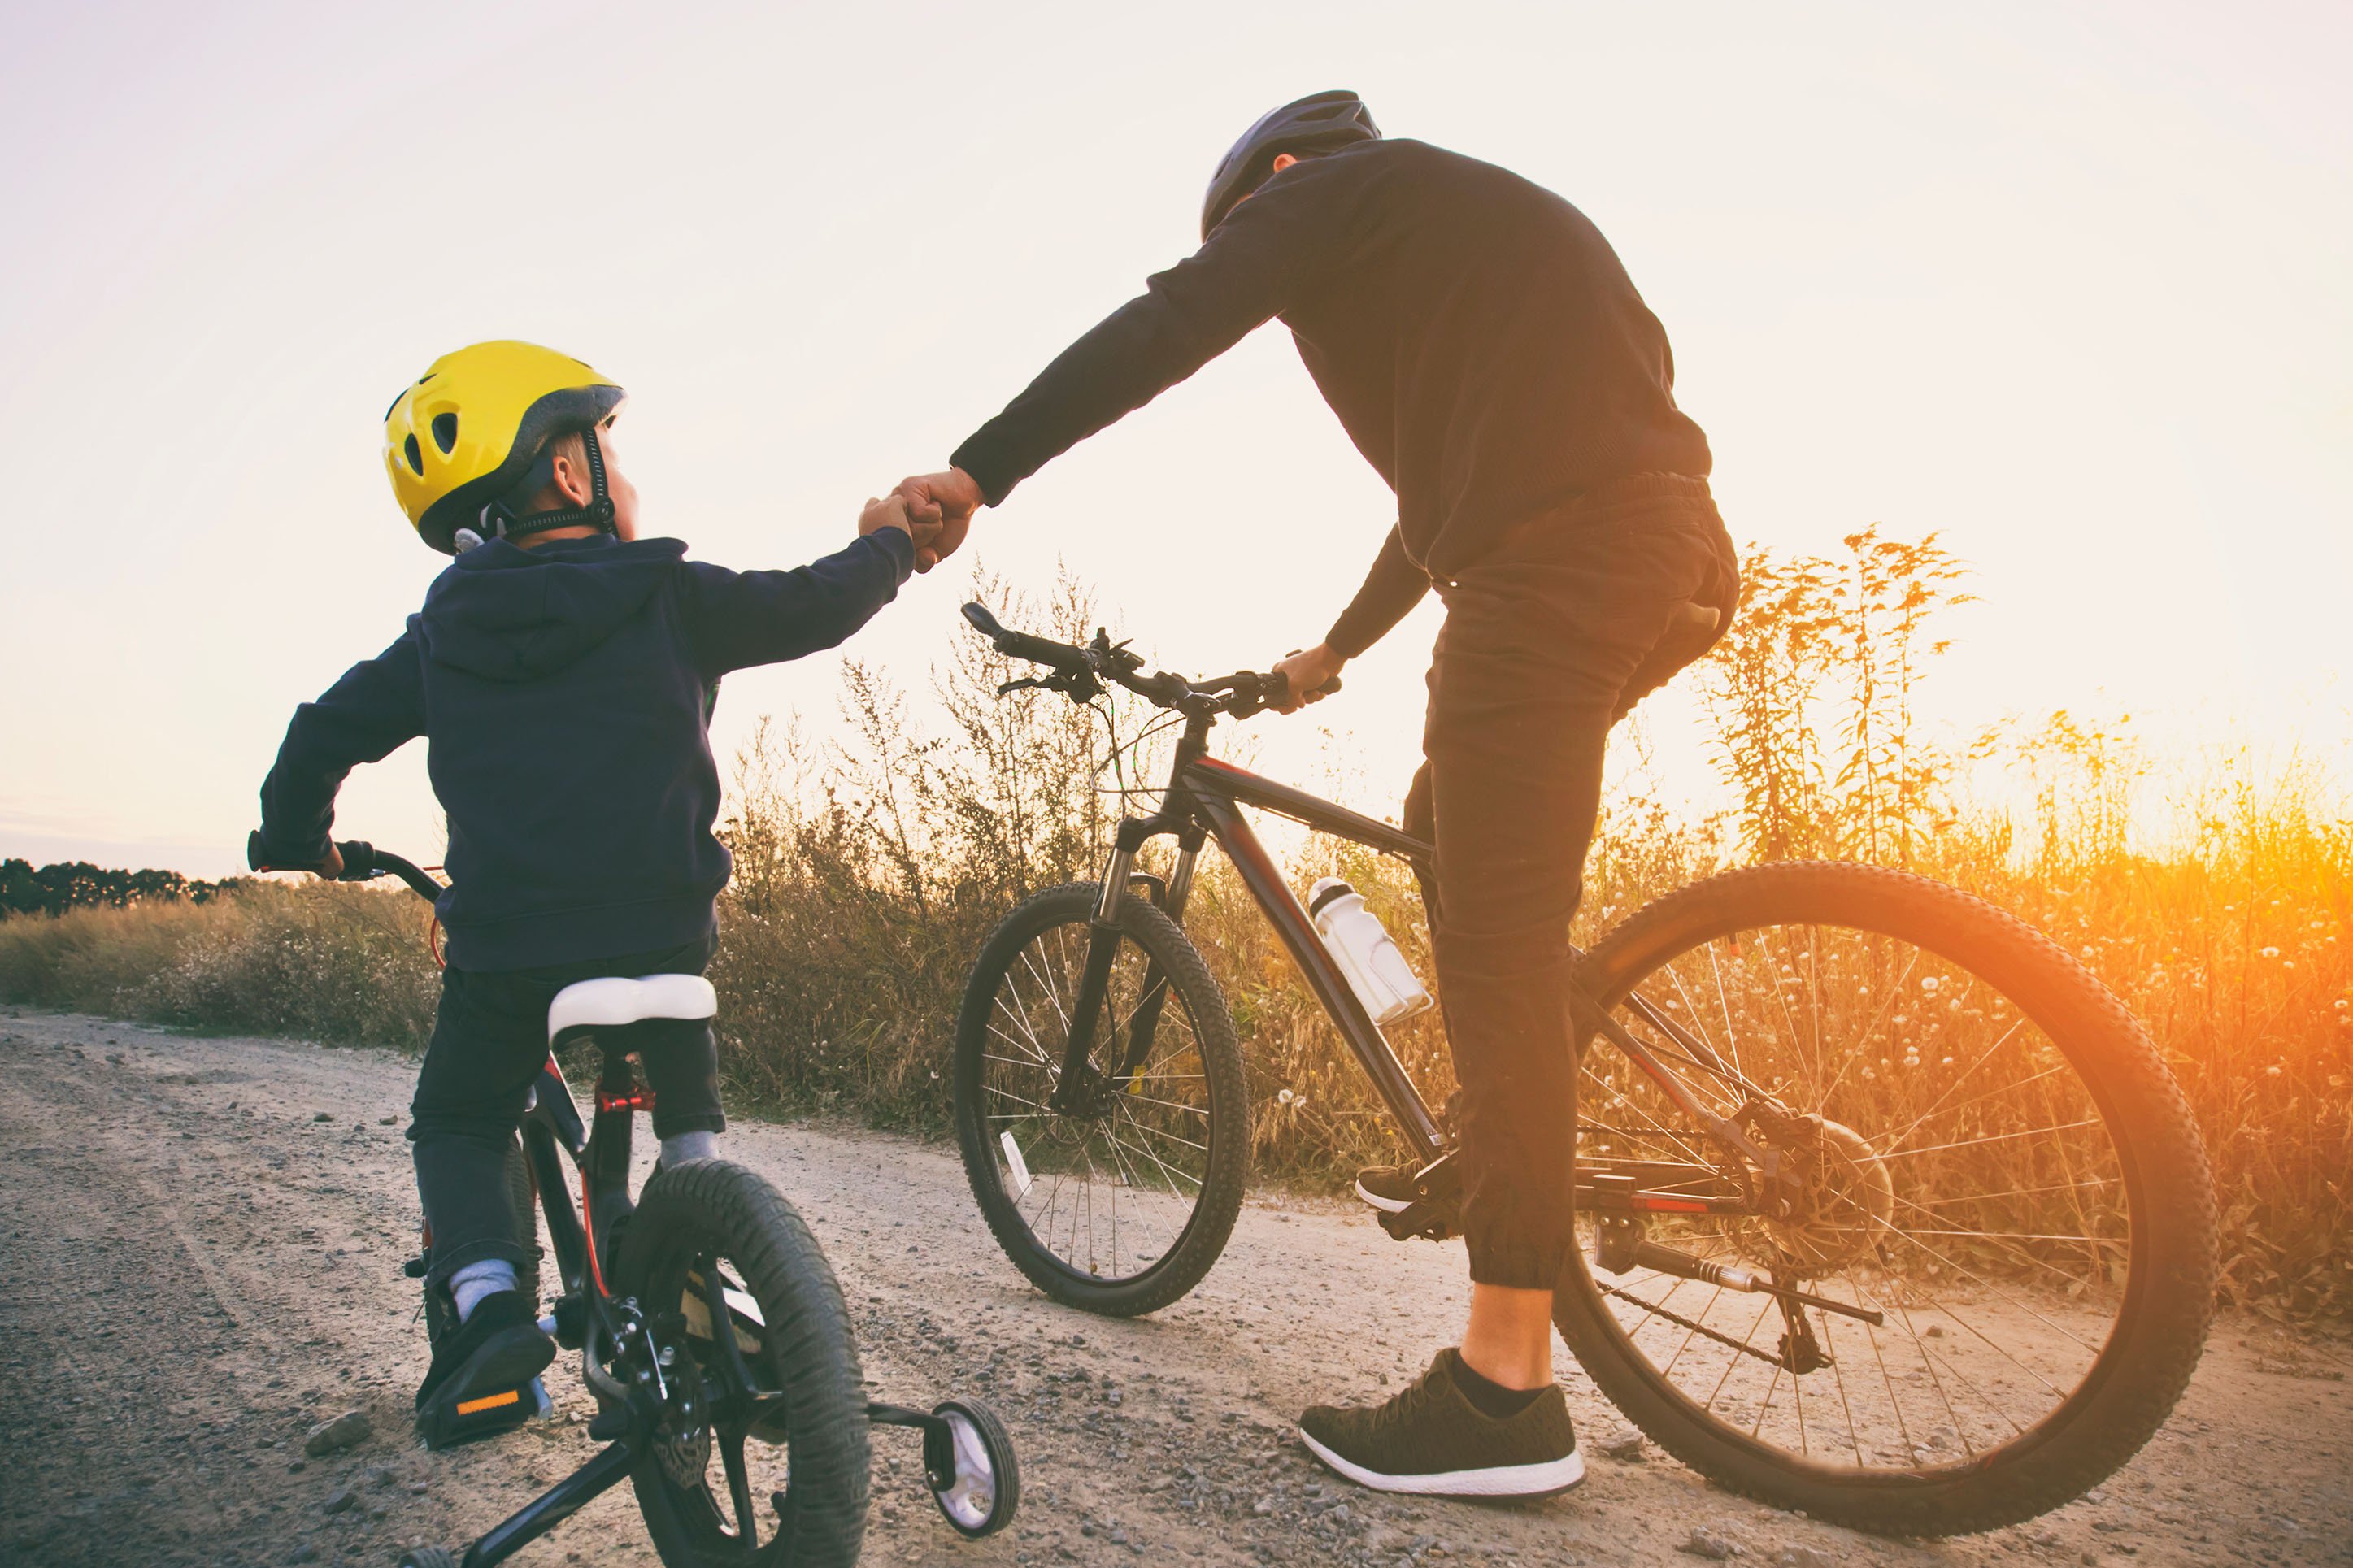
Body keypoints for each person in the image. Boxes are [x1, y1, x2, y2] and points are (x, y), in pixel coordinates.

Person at [893, 93, 1738, 1499]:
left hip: (1555, 569)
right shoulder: (1464, 231)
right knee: (1442, 818)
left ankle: (1503, 1394)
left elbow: (1164, 328)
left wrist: (979, 469)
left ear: (1271, 187)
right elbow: (1440, 499)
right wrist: (1331, 655)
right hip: (1673, 551)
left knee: (1494, 944)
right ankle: (1514, 1110)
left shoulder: (1324, 195)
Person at [253, 340, 928, 1444]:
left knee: (462, 1114)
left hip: (510, 951)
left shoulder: (443, 635)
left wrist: (297, 834)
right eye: (609, 444)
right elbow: (818, 603)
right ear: (569, 473)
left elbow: (321, 729)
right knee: (682, 1102)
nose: (622, 467)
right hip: (664, 934)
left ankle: (484, 1310)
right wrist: (889, 540)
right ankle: (722, 1252)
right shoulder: (668, 594)